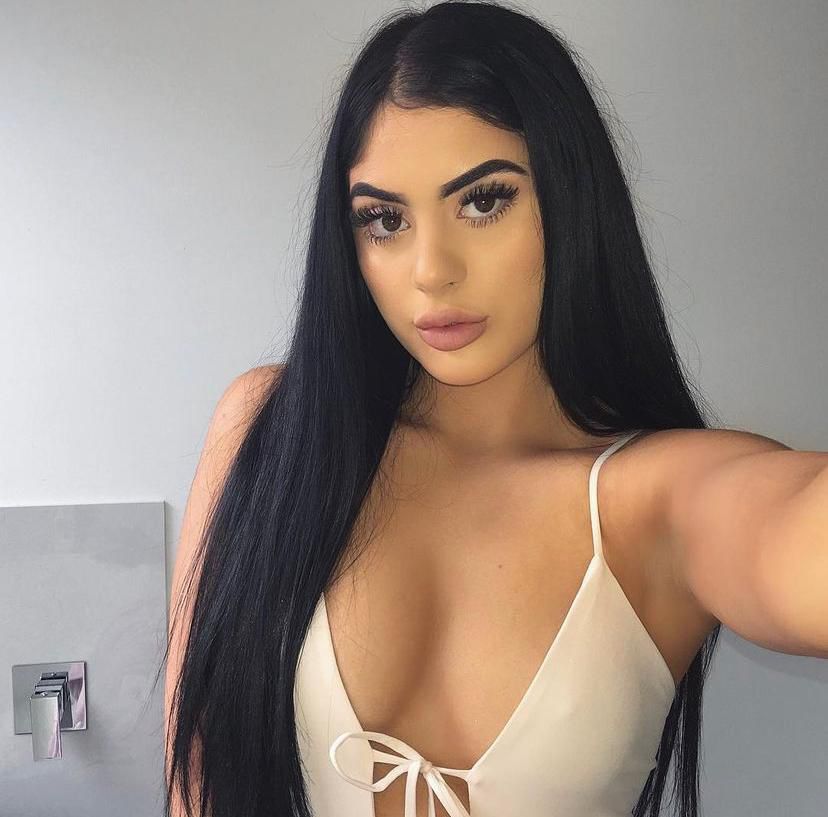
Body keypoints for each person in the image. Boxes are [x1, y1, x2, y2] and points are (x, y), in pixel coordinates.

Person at [157, 3, 828, 816]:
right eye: (385, 219)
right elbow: (195, 781)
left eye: (482, 201)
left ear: (571, 196)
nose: (431, 270)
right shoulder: (272, 432)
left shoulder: (660, 498)